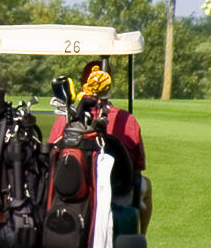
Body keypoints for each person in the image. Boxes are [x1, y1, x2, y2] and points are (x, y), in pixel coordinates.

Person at [49, 61, 152, 237]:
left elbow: (52, 159)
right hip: (117, 191)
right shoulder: (126, 120)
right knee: (145, 184)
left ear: (83, 84)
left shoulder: (65, 120)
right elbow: (136, 168)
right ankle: (140, 237)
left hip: (72, 192)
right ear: (109, 85)